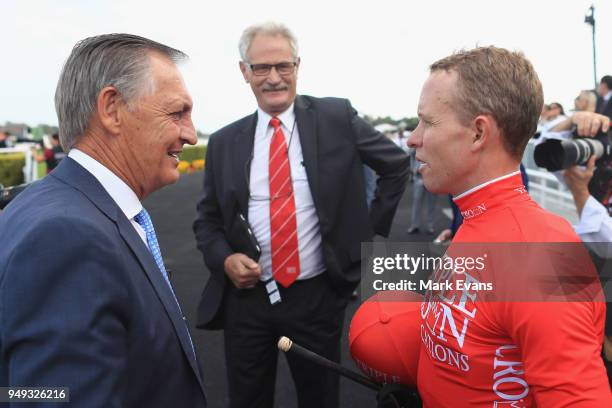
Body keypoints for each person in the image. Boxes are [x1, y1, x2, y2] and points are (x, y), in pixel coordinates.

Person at [193, 21, 409, 408]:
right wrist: (224, 259)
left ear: (298, 66)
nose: (274, 78)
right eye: (261, 68)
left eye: (283, 66)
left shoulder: (335, 117)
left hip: (317, 296)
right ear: (244, 72)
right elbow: (207, 221)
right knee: (247, 399)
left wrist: (366, 236)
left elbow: (395, 166)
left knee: (320, 398)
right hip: (247, 301)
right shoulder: (225, 141)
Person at [0, 34, 207, 407]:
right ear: (112, 109)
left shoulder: (47, 203)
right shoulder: (67, 238)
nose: (190, 134)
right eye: (177, 113)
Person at [408, 46, 611, 406]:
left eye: (428, 121)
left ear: (478, 133)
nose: (413, 137)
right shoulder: (478, 218)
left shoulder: (537, 252)